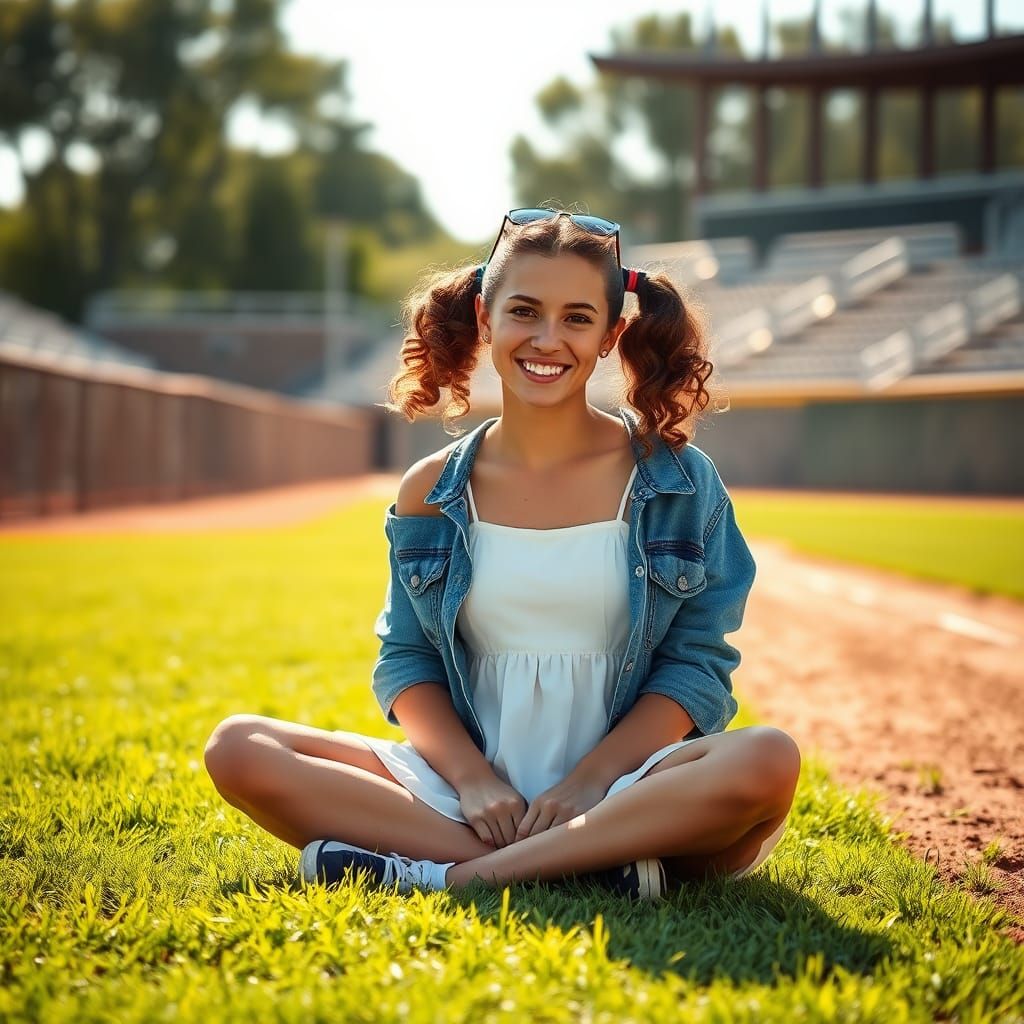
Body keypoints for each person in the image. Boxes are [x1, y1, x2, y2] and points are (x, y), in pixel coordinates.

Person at [203, 208, 801, 901]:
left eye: (578, 318)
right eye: (525, 311)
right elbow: (408, 660)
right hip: (473, 798)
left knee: (767, 759)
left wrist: (587, 785)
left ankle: (447, 877)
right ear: (486, 321)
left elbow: (695, 663)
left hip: (632, 786)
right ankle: (598, 867)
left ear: (612, 337)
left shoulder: (679, 481)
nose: (548, 339)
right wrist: (475, 781)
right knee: (239, 748)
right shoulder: (430, 489)